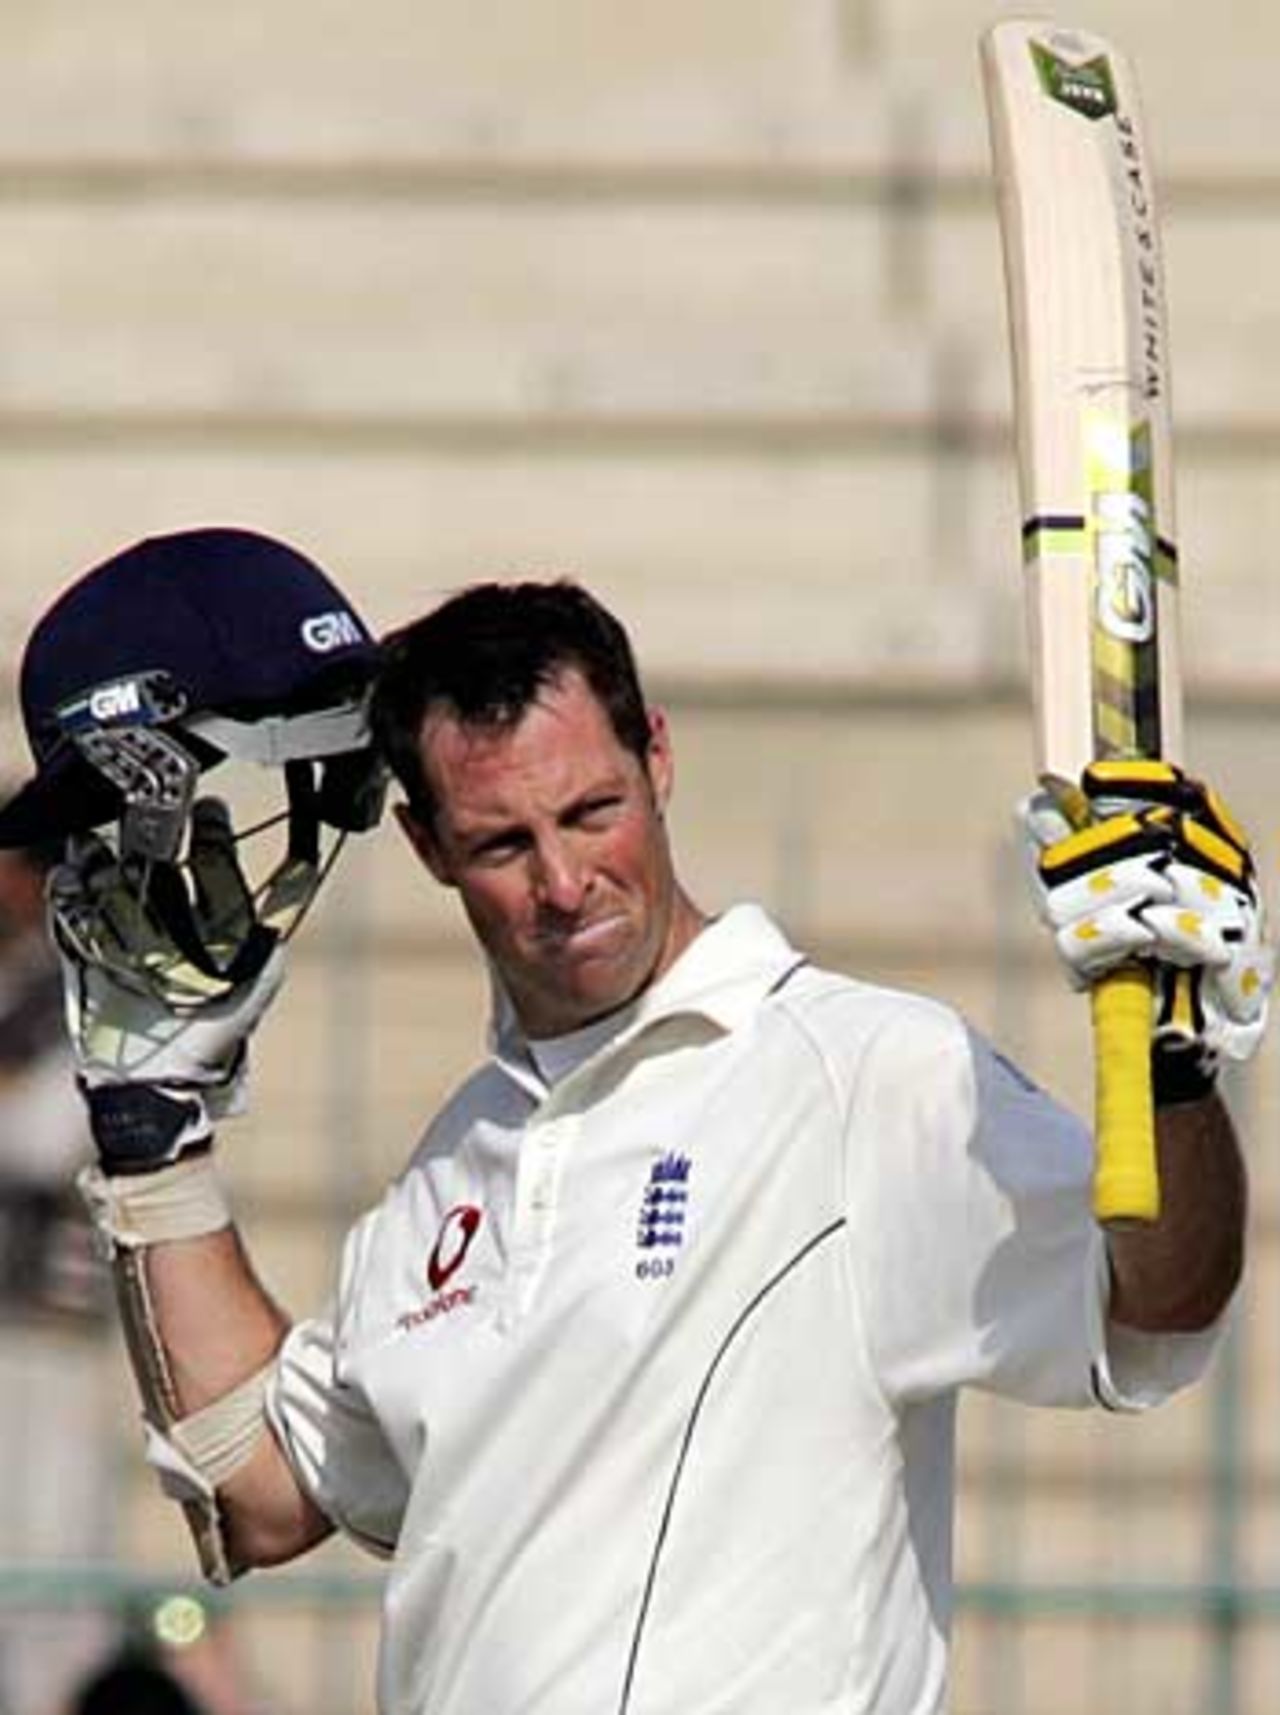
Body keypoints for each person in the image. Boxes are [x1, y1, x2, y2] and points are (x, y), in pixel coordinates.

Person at [2, 574, 1270, 1715]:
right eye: (504, 841)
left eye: (590, 810)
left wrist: (1170, 1072)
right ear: (429, 845)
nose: (564, 883)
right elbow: (263, 1490)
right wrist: (151, 1138)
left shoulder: (859, 1072)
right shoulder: (460, 1154)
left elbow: (1159, 1297)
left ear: (657, 756)